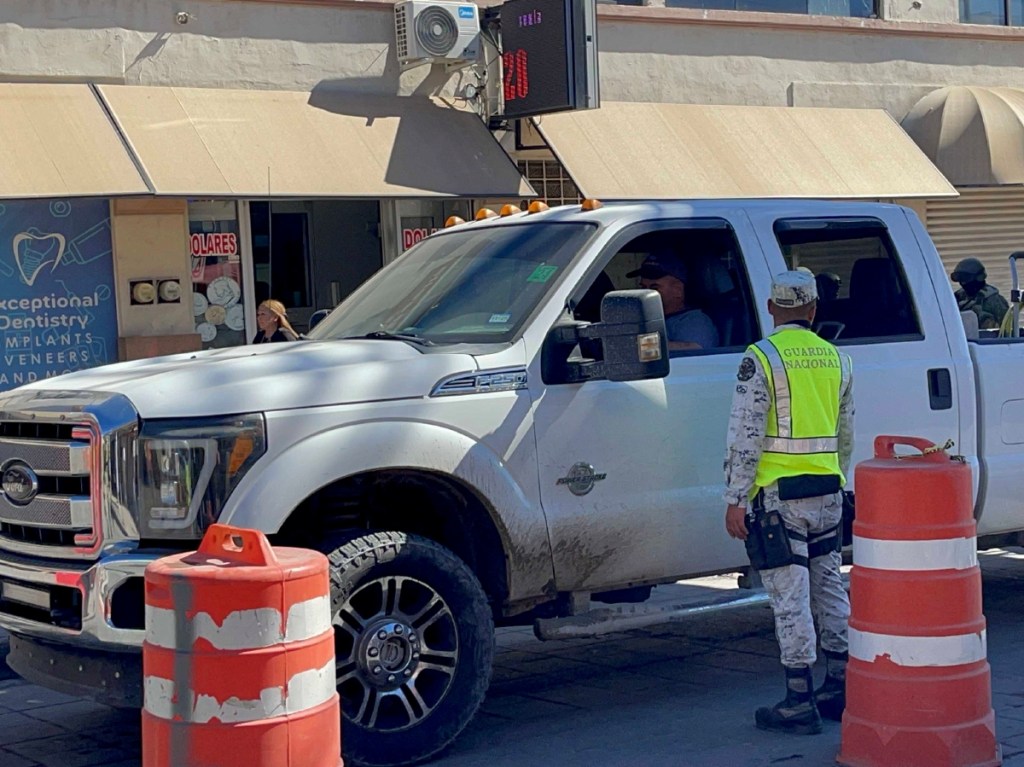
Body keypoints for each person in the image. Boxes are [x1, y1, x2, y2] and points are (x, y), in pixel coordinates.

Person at [723, 270, 854, 735]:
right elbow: (845, 434)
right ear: (815, 309)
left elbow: (746, 434)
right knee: (830, 585)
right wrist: (838, 480)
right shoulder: (837, 358)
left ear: (772, 307)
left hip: (780, 498)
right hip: (827, 492)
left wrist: (736, 498)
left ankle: (799, 699)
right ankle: (840, 687)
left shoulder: (762, 357)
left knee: (790, 596)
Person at [628, 251, 719, 350]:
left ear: (678, 290)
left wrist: (636, 346)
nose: (646, 294)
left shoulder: (694, 321)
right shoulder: (646, 318)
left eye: (654, 288)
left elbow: (695, 352)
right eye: (643, 287)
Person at [951, 258, 1009, 330]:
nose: (963, 283)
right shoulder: (957, 297)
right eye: (961, 279)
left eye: (966, 279)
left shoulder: (994, 301)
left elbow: (1008, 329)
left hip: (988, 339)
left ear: (979, 277)